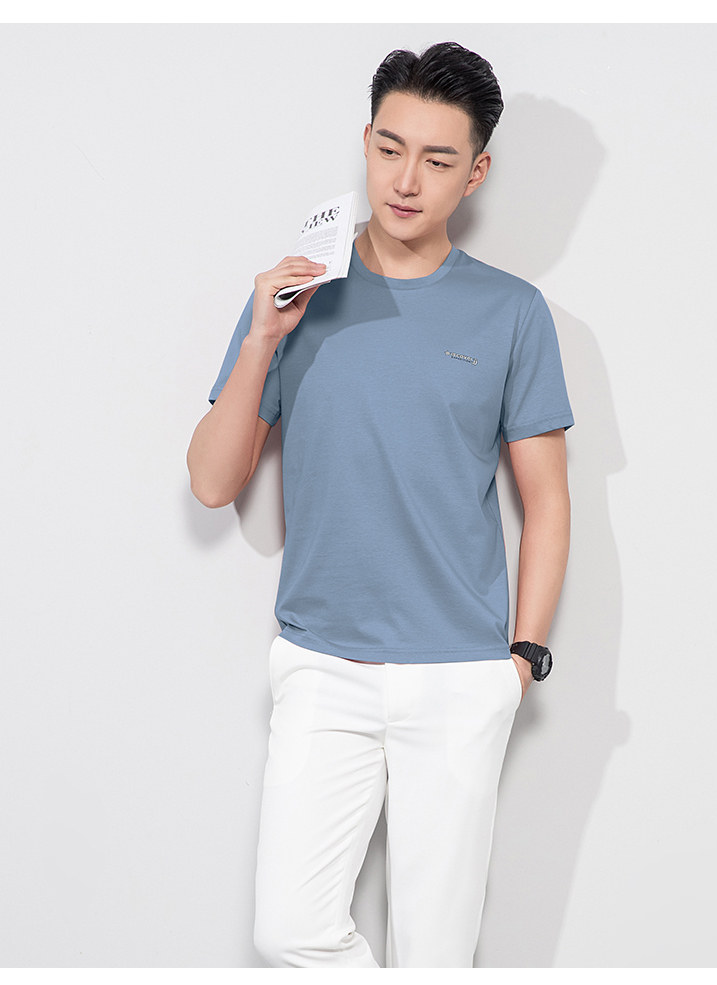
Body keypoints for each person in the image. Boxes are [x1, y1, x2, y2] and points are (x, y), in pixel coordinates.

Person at [186, 41, 574, 968]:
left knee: (436, 955)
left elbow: (548, 500)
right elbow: (210, 481)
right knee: (288, 929)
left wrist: (520, 661)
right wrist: (262, 340)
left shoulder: (513, 312)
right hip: (324, 665)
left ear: (476, 172)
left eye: (437, 160)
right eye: (390, 149)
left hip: (460, 675)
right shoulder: (295, 295)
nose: (406, 180)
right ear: (365, 143)